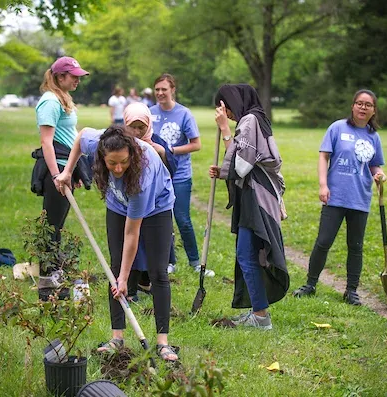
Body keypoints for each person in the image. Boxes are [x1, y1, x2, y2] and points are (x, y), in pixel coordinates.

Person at [55, 126, 179, 362]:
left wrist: (125, 279)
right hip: (117, 204)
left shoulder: (143, 173)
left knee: (157, 271)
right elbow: (81, 137)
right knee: (115, 271)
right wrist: (67, 172)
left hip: (158, 206)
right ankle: (117, 338)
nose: (119, 168)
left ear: (131, 154)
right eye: (112, 164)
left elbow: (132, 234)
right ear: (102, 156)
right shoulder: (99, 143)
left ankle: (163, 343)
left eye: (123, 162)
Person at [293, 89, 385, 306]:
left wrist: (379, 175)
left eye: (368, 105)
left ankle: (351, 291)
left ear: (373, 110)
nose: (363, 107)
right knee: (323, 241)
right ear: (352, 106)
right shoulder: (337, 128)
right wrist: (323, 185)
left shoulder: (374, 137)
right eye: (359, 103)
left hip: (360, 198)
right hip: (335, 196)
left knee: (356, 246)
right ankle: (310, 284)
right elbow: (324, 156)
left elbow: (374, 165)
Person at [209, 84, 289, 330]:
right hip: (253, 194)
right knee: (250, 253)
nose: (227, 113)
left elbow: (241, 165)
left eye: (225, 107)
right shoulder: (254, 119)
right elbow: (242, 159)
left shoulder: (250, 120)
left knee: (247, 253)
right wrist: (224, 172)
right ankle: (259, 312)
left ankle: (261, 318)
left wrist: (224, 129)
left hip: (257, 197)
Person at [34, 56, 89, 300]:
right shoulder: (50, 101)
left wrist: (73, 170)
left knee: (58, 225)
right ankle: (47, 285)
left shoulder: (62, 99)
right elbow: (47, 141)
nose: (78, 80)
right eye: (73, 76)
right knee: (51, 226)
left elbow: (69, 136)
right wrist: (57, 175)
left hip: (66, 167)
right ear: (59, 76)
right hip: (55, 170)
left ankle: (55, 275)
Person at [150, 74, 210, 276]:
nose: (160, 93)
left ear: (172, 90)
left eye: (164, 89)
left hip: (180, 175)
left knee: (182, 218)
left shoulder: (184, 114)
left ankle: (195, 262)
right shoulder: (149, 113)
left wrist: (170, 151)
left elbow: (196, 144)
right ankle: (169, 261)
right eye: (157, 89)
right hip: (157, 175)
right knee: (162, 218)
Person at [123, 102, 178, 302]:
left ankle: (147, 282)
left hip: (156, 204)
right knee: (133, 246)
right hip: (133, 202)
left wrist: (162, 152)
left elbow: (172, 169)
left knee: (152, 245)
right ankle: (130, 290)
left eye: (141, 127)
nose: (137, 132)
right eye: (133, 127)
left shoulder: (156, 141)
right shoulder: (122, 143)